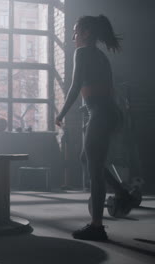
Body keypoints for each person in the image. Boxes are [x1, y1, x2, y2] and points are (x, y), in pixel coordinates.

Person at [56, 15, 131, 241]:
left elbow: (75, 86)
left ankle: (97, 227)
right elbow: (98, 89)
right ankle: (121, 193)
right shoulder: (100, 56)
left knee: (95, 170)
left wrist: (61, 113)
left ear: (87, 33)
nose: (73, 36)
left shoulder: (83, 52)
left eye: (76, 31)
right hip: (104, 112)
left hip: (101, 113)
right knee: (86, 159)